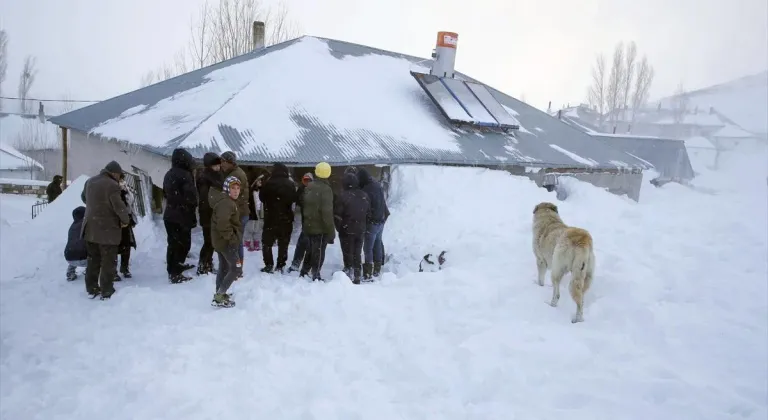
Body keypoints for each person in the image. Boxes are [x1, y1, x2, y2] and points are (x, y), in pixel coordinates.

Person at [80, 161, 131, 299]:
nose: (120, 178)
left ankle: (91, 288)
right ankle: (107, 290)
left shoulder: (90, 181)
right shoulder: (112, 185)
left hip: (90, 228)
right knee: (108, 262)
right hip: (107, 231)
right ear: (114, 173)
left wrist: (97, 207)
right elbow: (119, 207)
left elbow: (84, 198)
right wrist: (126, 220)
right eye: (119, 175)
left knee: (93, 260)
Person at [163, 148, 198, 283]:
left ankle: (172, 268)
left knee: (172, 243)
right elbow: (191, 197)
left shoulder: (169, 174)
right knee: (183, 244)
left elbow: (166, 193)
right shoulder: (185, 175)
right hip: (181, 216)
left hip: (170, 214)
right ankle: (176, 272)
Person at [209, 175, 244, 308]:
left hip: (220, 241)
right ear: (226, 189)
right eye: (232, 188)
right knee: (236, 268)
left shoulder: (227, 201)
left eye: (237, 188)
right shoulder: (226, 203)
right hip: (226, 242)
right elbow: (223, 224)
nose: (236, 191)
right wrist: (232, 239)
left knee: (224, 267)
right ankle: (219, 296)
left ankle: (219, 293)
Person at [258, 163, 298, 273]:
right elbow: (294, 198)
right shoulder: (290, 184)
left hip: (270, 218)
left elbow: (261, 198)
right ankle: (280, 265)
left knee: (267, 242)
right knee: (283, 243)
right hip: (286, 218)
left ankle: (269, 264)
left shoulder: (268, 183)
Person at [300, 162, 335, 281]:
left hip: (309, 225)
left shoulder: (309, 186)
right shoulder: (326, 190)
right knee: (319, 252)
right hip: (320, 227)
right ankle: (316, 274)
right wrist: (331, 231)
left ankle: (304, 271)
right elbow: (327, 213)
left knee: (310, 250)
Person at [334, 172, 371, 284]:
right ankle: (357, 274)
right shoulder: (364, 195)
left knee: (347, 251)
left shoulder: (342, 196)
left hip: (346, 229)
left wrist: (340, 228)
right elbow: (368, 213)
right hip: (360, 229)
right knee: (357, 252)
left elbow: (337, 215)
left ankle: (348, 271)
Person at [357, 168, 390, 280]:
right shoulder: (376, 185)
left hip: (373, 222)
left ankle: (368, 273)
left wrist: (365, 220)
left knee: (368, 248)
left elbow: (366, 208)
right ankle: (377, 269)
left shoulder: (366, 190)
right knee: (377, 244)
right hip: (381, 220)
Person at [196, 152, 223, 275]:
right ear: (209, 166)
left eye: (219, 165)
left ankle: (207, 264)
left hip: (213, 213)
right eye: (215, 165)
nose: (218, 167)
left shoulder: (215, 176)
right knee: (209, 242)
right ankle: (203, 265)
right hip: (208, 214)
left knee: (211, 242)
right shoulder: (205, 179)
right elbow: (205, 200)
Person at [219, 151, 250, 263]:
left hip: (239, 214)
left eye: (224, 161)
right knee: (236, 242)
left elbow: (236, 197)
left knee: (235, 242)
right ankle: (236, 267)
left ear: (231, 162)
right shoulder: (233, 173)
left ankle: (237, 268)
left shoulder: (235, 175)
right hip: (240, 212)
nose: (222, 164)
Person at [288, 173, 313, 273]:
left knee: (306, 244)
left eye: (309, 181)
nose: (307, 182)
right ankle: (298, 265)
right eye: (305, 180)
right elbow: (297, 199)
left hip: (312, 222)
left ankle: (302, 267)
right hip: (306, 220)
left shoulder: (314, 191)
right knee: (303, 243)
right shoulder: (301, 189)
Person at [116, 175, 138, 279]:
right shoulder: (112, 190)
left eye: (122, 180)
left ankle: (124, 268)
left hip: (126, 221)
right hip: (114, 222)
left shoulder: (125, 190)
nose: (122, 182)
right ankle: (113, 271)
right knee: (114, 247)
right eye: (120, 180)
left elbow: (130, 204)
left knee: (126, 245)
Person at [64, 206, 88, 281]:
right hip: (84, 259)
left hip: (69, 258)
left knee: (74, 249)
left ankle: (70, 272)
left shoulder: (72, 227)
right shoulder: (87, 224)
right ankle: (89, 270)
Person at [244, 171, 265, 252]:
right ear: (254, 181)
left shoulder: (261, 191)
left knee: (258, 229)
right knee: (249, 229)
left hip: (259, 213)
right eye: (259, 180)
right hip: (251, 213)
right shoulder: (249, 192)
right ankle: (247, 245)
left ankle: (256, 244)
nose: (260, 182)